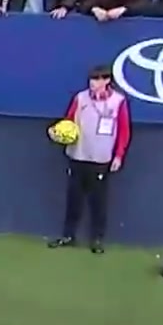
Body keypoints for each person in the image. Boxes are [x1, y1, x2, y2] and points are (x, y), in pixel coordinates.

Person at [49, 65, 130, 254]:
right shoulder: (80, 98)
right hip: (77, 156)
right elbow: (68, 121)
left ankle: (97, 239)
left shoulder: (118, 101)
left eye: (97, 79)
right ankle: (68, 236)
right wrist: (57, 132)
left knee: (98, 203)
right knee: (73, 200)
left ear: (106, 81)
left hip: (101, 159)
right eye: (91, 79)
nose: (93, 83)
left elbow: (124, 130)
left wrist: (119, 155)